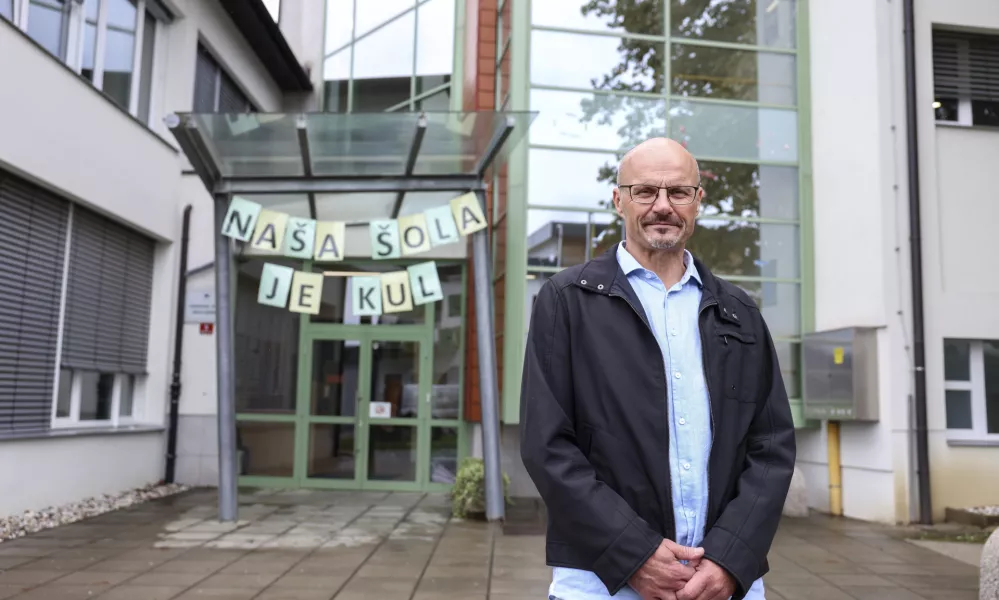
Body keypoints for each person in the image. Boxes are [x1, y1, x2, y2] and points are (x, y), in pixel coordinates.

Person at [519, 137, 796, 600]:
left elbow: (771, 447)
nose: (662, 206)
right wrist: (634, 555)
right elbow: (547, 446)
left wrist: (732, 557)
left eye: (679, 192)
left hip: (722, 583)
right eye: (645, 191)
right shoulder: (568, 301)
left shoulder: (739, 311)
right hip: (602, 582)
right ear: (619, 200)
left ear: (698, 202)